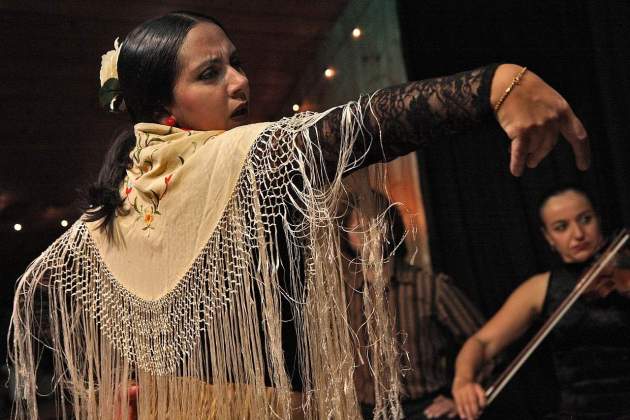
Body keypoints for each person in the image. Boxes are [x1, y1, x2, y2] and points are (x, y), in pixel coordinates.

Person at [9, 10, 589, 420]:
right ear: (162, 104)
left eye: (234, 63)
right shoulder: (238, 158)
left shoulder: (112, 214)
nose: (241, 82)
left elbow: (35, 294)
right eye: (210, 74)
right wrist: (493, 86)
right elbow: (363, 126)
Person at [452, 185, 630, 419]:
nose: (578, 234)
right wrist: (463, 381)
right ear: (549, 238)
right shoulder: (540, 288)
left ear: (598, 219)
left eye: (586, 219)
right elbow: (482, 342)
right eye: (561, 227)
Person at [341, 200, 492, 420]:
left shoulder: (429, 286)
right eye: (357, 227)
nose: (366, 233)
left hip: (424, 409)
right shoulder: (345, 297)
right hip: (366, 412)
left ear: (389, 226)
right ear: (346, 237)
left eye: (374, 223)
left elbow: (486, 344)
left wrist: (461, 398)